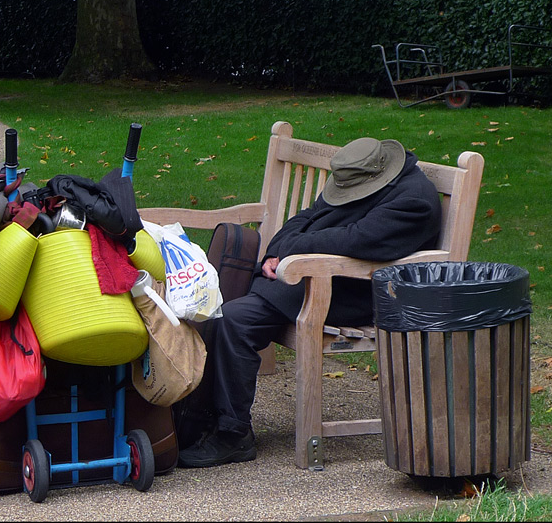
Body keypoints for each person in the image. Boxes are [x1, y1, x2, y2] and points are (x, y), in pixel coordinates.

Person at [176, 136, 442, 468]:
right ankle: (209, 423)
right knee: (222, 313)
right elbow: (308, 216)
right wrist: (277, 251)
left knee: (233, 318)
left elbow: (354, 240)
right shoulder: (363, 177)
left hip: (353, 292)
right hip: (311, 277)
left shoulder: (414, 203)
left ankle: (231, 435)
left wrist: (291, 250)